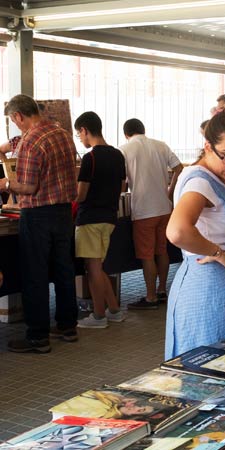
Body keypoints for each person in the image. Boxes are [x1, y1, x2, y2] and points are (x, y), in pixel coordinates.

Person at [164, 112, 225, 359]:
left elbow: (213, 230)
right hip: (206, 292)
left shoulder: (214, 178)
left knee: (224, 363)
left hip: (221, 288)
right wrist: (217, 253)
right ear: (207, 147)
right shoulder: (199, 183)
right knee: (207, 366)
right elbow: (178, 231)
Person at [0, 95, 78, 353]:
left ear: (19, 116)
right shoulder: (62, 133)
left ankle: (37, 337)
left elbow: (29, 186)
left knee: (35, 274)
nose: (15, 125)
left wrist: (7, 184)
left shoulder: (31, 141)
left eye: (13, 120)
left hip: (37, 214)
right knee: (64, 269)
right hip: (64, 212)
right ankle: (68, 326)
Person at [72, 112, 128, 329]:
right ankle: (113, 310)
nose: (81, 139)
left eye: (79, 134)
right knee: (99, 266)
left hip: (90, 219)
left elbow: (81, 194)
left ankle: (98, 316)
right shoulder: (118, 155)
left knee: (92, 268)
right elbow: (122, 187)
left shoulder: (90, 158)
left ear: (85, 130)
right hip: (110, 218)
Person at [121, 118, 183, 310]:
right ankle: (162, 290)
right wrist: (170, 191)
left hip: (143, 210)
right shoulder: (161, 145)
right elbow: (179, 168)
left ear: (126, 134)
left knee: (147, 255)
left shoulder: (124, 150)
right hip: (164, 208)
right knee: (162, 250)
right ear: (143, 130)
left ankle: (150, 297)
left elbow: (122, 181)